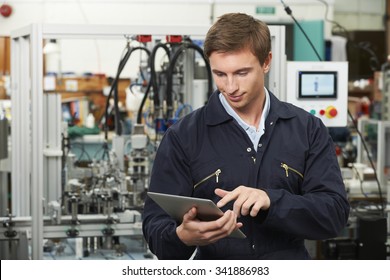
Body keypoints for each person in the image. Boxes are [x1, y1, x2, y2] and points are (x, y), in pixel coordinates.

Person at [142, 12, 350, 260]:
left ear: (266, 62)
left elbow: (334, 215)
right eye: (220, 74)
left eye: (241, 73)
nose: (230, 87)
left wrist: (271, 200)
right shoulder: (183, 136)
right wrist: (183, 237)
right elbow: (156, 229)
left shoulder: (307, 129)